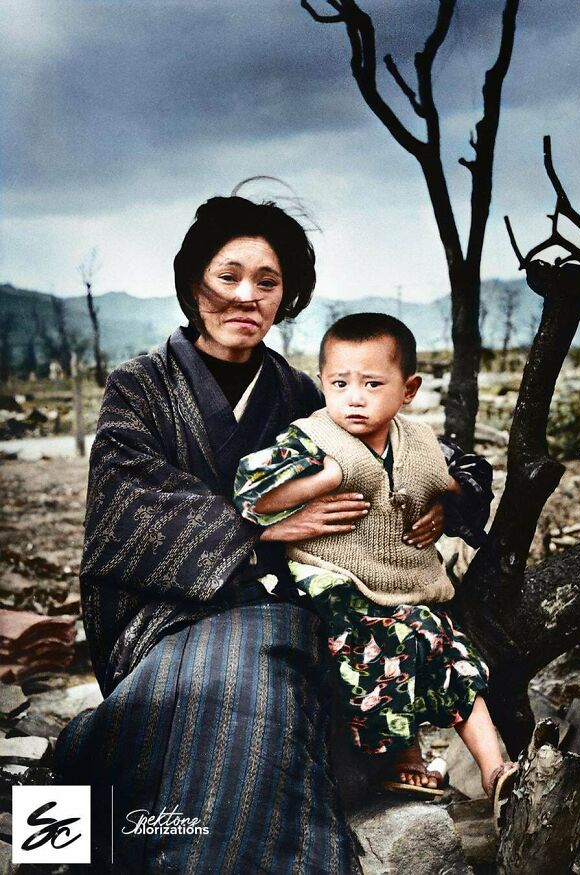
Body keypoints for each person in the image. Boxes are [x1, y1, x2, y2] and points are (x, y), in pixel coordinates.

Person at [53, 193, 455, 872]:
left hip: (280, 609)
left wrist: (442, 500)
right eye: (227, 276)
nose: (246, 296)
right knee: (209, 684)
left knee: (256, 675)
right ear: (192, 283)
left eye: (267, 282)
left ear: (286, 295)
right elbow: (128, 504)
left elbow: (400, 443)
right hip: (161, 615)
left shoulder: (303, 394)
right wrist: (261, 523)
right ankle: (84, 783)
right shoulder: (140, 387)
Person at [234, 313, 518, 807]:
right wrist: (323, 480)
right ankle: (401, 760)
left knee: (447, 647)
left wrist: (444, 501)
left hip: (402, 578)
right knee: (382, 644)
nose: (355, 397)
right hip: (332, 575)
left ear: (408, 389)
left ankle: (498, 773)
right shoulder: (312, 437)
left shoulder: (421, 441)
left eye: (372, 383)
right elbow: (251, 495)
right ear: (322, 383)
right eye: (340, 383)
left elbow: (467, 481)